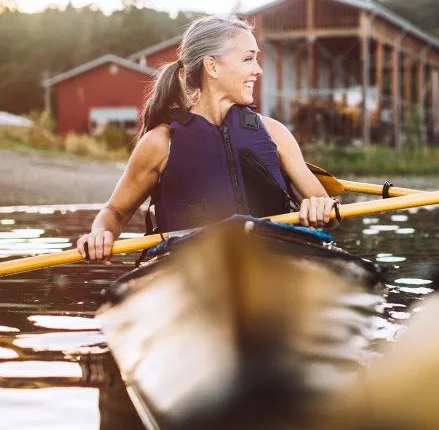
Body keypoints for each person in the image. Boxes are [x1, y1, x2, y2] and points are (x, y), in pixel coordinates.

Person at [78, 14, 338, 263]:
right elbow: (115, 212)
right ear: (212, 66)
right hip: (191, 269)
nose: (258, 70)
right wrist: (101, 232)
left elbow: (330, 214)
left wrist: (319, 208)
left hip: (271, 262)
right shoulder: (161, 142)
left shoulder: (274, 133)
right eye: (248, 59)